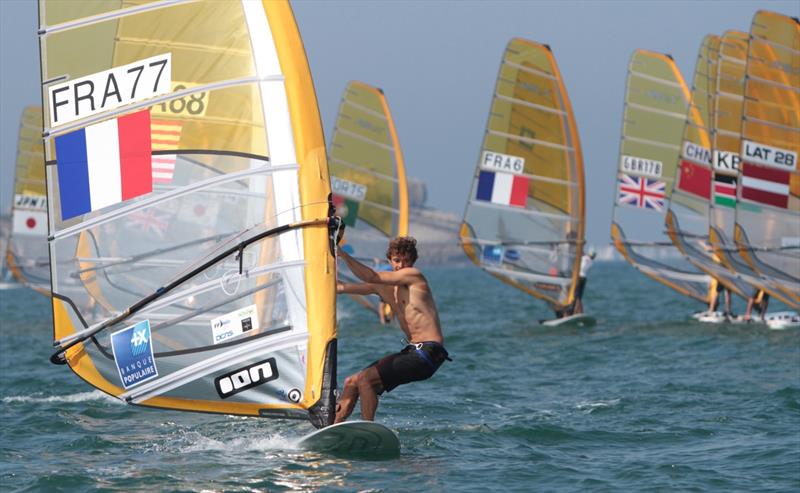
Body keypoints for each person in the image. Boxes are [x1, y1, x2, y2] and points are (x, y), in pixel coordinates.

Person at [335, 236, 449, 423]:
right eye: (397, 260)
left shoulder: (414, 277)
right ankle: (332, 428)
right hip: (412, 352)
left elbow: (370, 276)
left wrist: (343, 255)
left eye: (406, 261)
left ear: (412, 262)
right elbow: (341, 287)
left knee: (365, 379)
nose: (401, 265)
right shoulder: (385, 288)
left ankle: (367, 430)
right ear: (389, 261)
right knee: (351, 382)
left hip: (428, 352)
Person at [572, 247, 596, 315]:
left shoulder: (584, 257)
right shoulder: (591, 262)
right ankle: (579, 312)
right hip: (584, 279)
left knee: (576, 296)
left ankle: (575, 311)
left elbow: (581, 253)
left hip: (579, 278)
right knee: (579, 297)